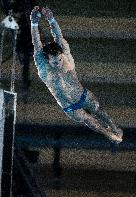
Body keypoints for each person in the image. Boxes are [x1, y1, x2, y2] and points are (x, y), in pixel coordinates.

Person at [30, 6, 123, 143]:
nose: (58, 63)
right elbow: (37, 45)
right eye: (54, 62)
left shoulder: (66, 56)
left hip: (83, 95)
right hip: (68, 105)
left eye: (60, 59)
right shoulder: (43, 68)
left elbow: (58, 36)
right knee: (89, 120)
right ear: (47, 60)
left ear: (62, 55)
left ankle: (114, 127)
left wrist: (51, 19)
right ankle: (108, 134)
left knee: (98, 110)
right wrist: (34, 23)